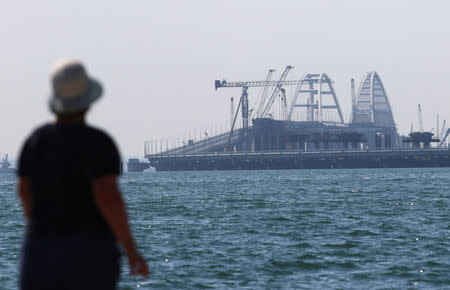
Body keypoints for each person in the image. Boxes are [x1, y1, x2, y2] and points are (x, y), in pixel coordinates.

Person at [17, 59, 149, 289]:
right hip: (90, 248)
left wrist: (37, 226)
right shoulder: (99, 142)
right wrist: (131, 250)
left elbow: (24, 189)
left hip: (40, 249)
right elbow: (106, 195)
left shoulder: (35, 141)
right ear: (88, 102)